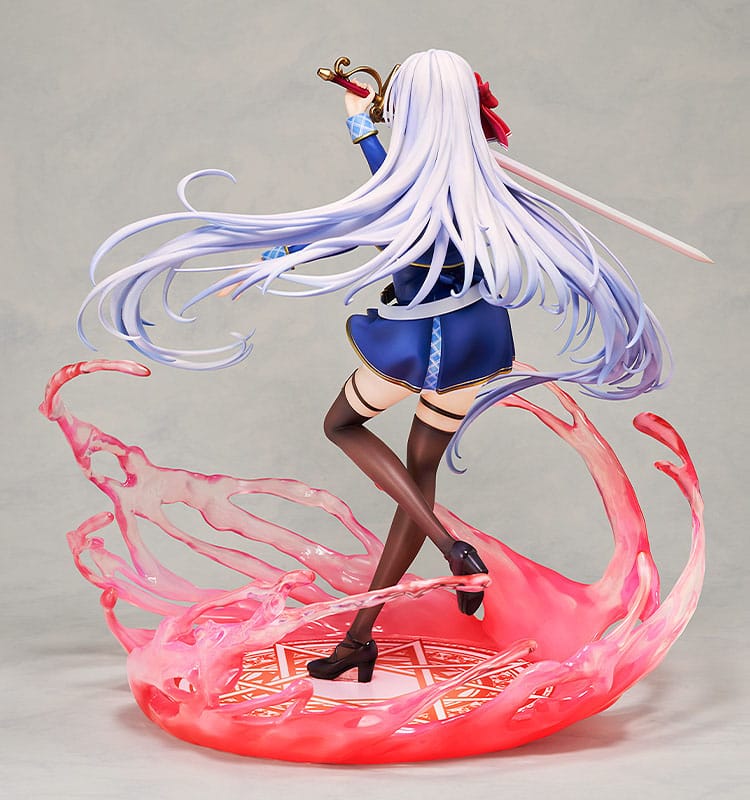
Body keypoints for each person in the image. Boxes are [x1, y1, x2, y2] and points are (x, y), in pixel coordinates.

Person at [78, 50, 669, 683]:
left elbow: (361, 216)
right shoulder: (486, 192)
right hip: (477, 342)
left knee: (341, 425)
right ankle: (360, 639)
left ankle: (451, 548)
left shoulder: (417, 193)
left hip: (420, 343)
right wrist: (361, 126)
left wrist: (301, 219)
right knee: (419, 476)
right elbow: (379, 203)